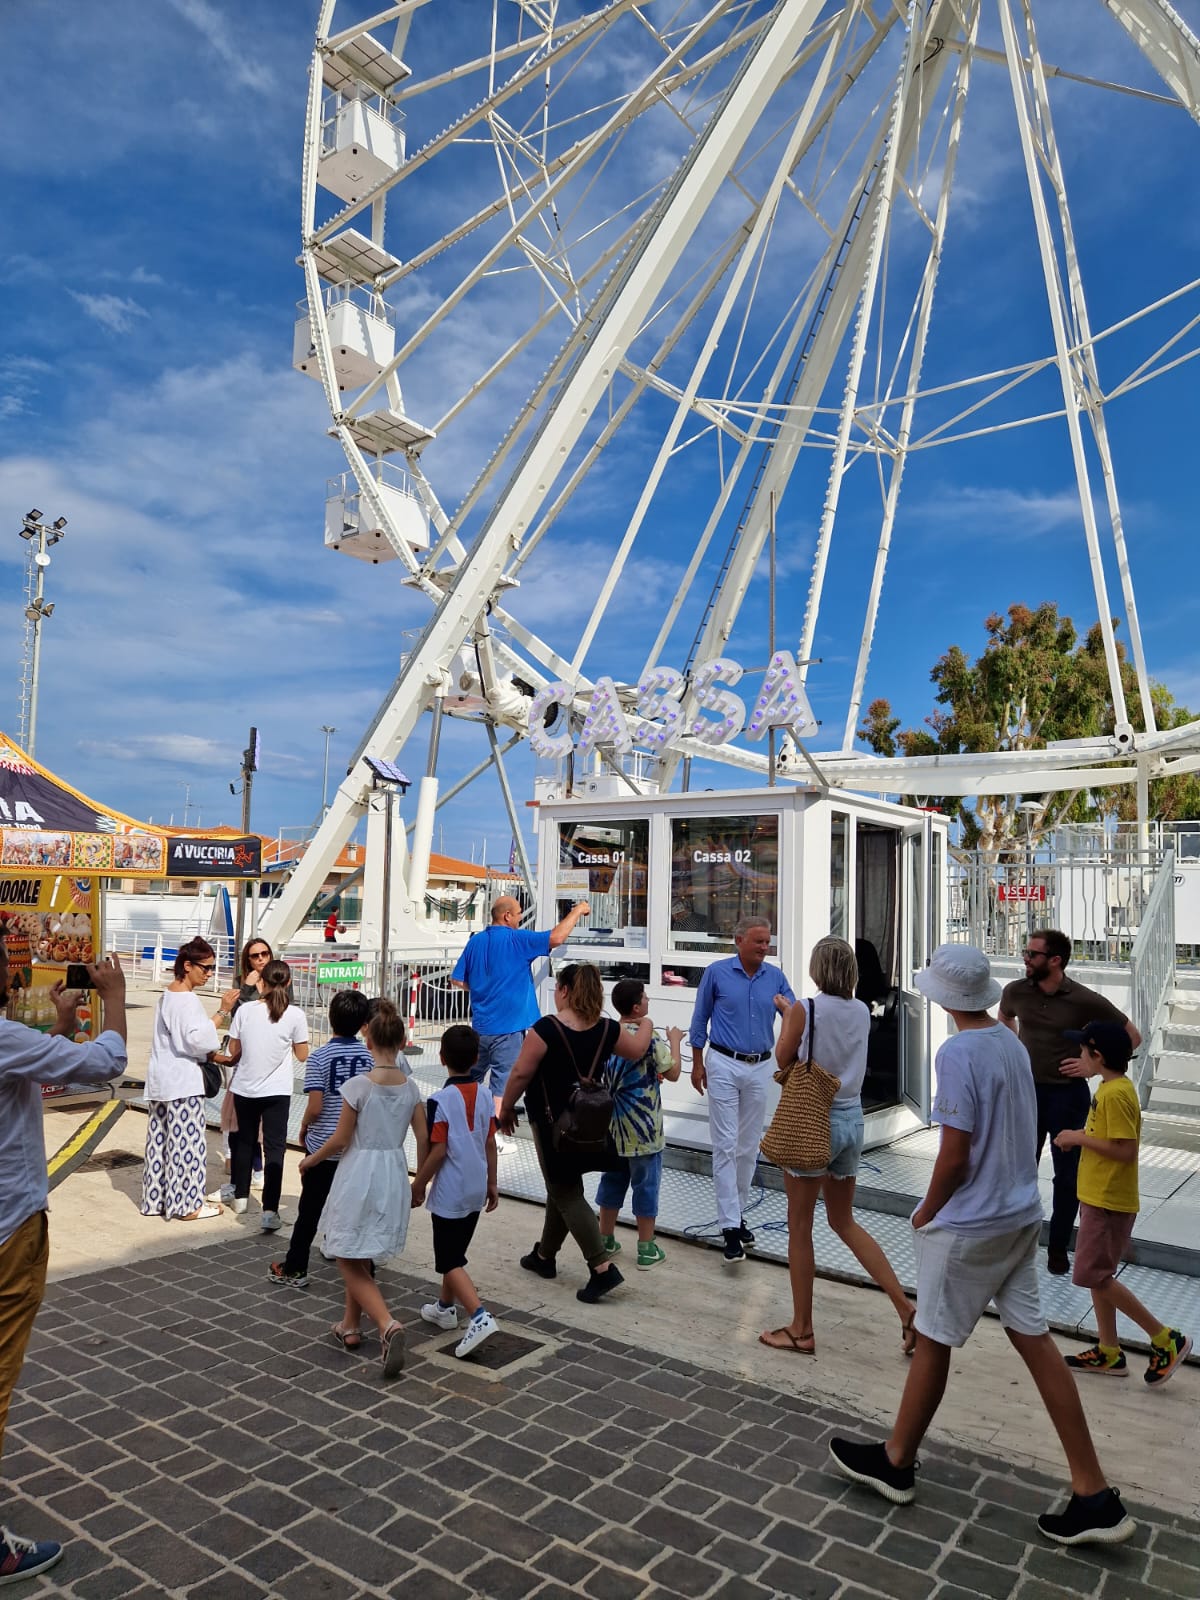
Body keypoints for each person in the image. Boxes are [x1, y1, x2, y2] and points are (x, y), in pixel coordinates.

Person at [830, 944, 1135, 1548]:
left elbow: (955, 1152)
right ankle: (1092, 1488)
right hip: (1019, 1213)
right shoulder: (1008, 1043)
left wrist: (925, 1211)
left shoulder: (959, 1052)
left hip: (972, 1224)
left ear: (945, 998)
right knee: (1036, 1344)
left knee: (934, 1340)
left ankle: (896, 1461)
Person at [1, 950, 127, 1586]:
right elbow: (106, 1063)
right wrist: (115, 998)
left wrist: (57, 1026)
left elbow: (22, 1068)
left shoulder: (11, 1043)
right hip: (8, 1227)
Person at [760, 937, 916, 1357]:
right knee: (844, 1221)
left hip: (814, 1120)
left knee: (799, 1226)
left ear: (817, 970)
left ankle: (801, 1329)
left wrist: (785, 1016)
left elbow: (783, 1058)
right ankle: (905, 1309)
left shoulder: (804, 1009)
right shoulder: (861, 1011)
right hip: (851, 1119)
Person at [498, 963, 651, 1302]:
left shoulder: (546, 1029)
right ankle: (544, 1257)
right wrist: (648, 1024)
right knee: (564, 1186)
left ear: (565, 991)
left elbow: (521, 1073)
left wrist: (506, 1108)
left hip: (552, 1122)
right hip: (590, 1121)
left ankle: (601, 1268)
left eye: (557, 988)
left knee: (564, 1190)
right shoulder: (608, 1029)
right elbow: (638, 1049)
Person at [1055, 1020, 1193, 1384]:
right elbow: (1108, 1135)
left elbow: (1124, 1150)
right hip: (1098, 1197)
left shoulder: (1115, 1095)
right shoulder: (1111, 1087)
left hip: (1108, 1202)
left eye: (1083, 1050)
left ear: (1096, 1056)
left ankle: (1166, 1339)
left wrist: (1078, 1138)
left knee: (1093, 1275)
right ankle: (1109, 1350)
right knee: (1099, 1276)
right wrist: (1081, 1135)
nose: (1079, 1055)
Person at [299, 1000, 428, 1378]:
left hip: (359, 1171)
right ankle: (349, 1325)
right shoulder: (412, 1088)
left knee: (344, 1250)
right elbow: (423, 1138)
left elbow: (340, 1140)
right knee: (360, 1250)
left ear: (367, 1039)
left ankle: (386, 1324)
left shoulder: (357, 1087)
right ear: (403, 1041)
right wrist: (419, 1181)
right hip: (392, 1171)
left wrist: (311, 1159)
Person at [999, 928, 1140, 1276]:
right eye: (1025, 952)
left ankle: (1058, 1248)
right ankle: (1016, 1244)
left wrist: (1091, 1069)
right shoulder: (1015, 990)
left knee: (1067, 1180)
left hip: (1069, 1098)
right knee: (1019, 1171)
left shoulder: (1083, 999)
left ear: (1056, 960)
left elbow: (1131, 1037)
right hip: (1028, 1095)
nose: (1025, 959)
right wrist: (1015, 1053)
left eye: (1032, 954)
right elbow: (1006, 1018)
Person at [688, 917, 795, 1263]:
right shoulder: (716, 973)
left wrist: (787, 1011)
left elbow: (796, 1017)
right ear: (739, 940)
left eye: (767, 942)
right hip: (722, 1062)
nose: (765, 947)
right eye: (759, 941)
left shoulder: (775, 977)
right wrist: (697, 1063)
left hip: (760, 1065)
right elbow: (699, 1018)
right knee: (726, 1144)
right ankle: (730, 1225)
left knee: (748, 1147)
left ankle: (736, 1214)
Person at [451, 895, 592, 1148]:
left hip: (481, 1027)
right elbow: (557, 937)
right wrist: (579, 910)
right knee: (501, 1086)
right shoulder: (517, 939)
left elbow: (458, 979)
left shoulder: (476, 941)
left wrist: (483, 990)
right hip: (509, 1030)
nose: (519, 918)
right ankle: (491, 1139)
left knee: (470, 1077)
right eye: (517, 914)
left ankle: (459, 1127)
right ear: (507, 916)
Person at [268, 987, 373, 1288]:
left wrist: (303, 1126)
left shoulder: (320, 1057)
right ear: (363, 1022)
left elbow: (315, 1106)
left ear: (330, 1019)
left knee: (309, 1212)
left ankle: (295, 1268)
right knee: (354, 1212)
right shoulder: (368, 1057)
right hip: (354, 1146)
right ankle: (364, 1273)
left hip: (323, 1145)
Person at [411, 1024, 501, 1358]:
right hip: (477, 1183)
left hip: (451, 1188)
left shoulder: (439, 1100)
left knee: (448, 1258)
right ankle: (445, 1308)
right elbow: (490, 1141)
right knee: (456, 1252)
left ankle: (479, 1315)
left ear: (442, 1058)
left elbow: (438, 1150)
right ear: (477, 1058)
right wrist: (493, 1182)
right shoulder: (484, 1094)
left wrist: (418, 1184)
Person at [596, 978, 683, 1271]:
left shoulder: (607, 1035)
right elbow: (672, 1074)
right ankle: (646, 1248)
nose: (648, 1001)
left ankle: (604, 1240)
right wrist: (674, 1041)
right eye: (645, 997)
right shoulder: (650, 1040)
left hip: (612, 1127)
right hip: (644, 1129)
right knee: (646, 1185)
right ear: (636, 1006)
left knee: (611, 1181)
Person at [221, 961, 309, 1231]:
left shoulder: (246, 1010)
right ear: (289, 982)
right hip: (277, 1091)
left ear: (262, 983)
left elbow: (234, 1048)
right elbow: (302, 1055)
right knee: (275, 1150)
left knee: (244, 1141)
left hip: (245, 1087)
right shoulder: (295, 1014)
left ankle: (241, 1198)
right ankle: (270, 1210)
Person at [141, 937, 224, 1223]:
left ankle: (158, 1199)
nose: (209, 973)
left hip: (162, 1079)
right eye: (206, 967)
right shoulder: (186, 1000)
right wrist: (221, 1013)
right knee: (187, 1145)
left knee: (161, 1143)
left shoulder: (167, 995)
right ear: (187, 966)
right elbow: (196, 1040)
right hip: (183, 1080)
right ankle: (188, 1205)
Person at [214, 937, 283, 1194]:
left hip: (268, 1061)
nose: (261, 959)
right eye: (255, 955)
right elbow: (236, 1019)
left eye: (265, 953)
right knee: (237, 1119)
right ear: (248, 960)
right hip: (242, 1057)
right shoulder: (242, 985)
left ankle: (257, 1172)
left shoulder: (279, 978)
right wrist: (245, 988)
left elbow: (283, 1012)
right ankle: (244, 1169)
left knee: (263, 1126)